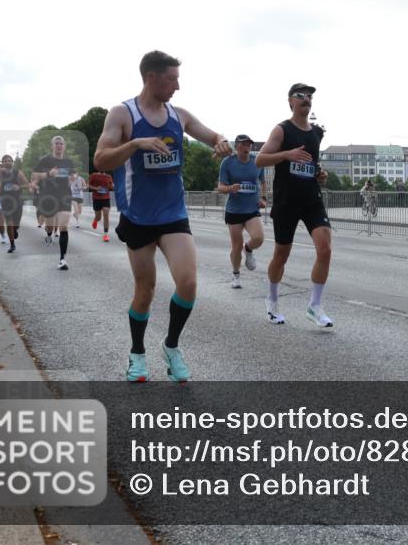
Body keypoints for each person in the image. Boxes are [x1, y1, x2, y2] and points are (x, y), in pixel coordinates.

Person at [94, 50, 232, 383]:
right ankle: (137, 354)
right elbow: (101, 159)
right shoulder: (122, 114)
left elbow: (211, 135)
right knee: (145, 289)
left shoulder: (179, 115)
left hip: (173, 215)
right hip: (138, 216)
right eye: (172, 79)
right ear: (152, 77)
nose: (178, 86)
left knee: (188, 283)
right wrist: (135, 144)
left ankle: (171, 346)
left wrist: (222, 142)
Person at [255, 83, 333, 327]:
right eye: (301, 95)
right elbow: (260, 160)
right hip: (287, 200)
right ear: (290, 101)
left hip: (311, 199)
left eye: (309, 96)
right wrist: (286, 155)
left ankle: (315, 306)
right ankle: (272, 300)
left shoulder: (316, 133)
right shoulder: (282, 130)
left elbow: (311, 164)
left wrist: (320, 173)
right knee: (281, 255)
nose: (306, 99)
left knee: (325, 249)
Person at [217, 135, 267, 289]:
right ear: (236, 146)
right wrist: (230, 188)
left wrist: (264, 198)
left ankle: (249, 248)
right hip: (234, 210)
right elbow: (220, 187)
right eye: (243, 144)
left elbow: (263, 181)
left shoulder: (256, 161)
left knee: (258, 238)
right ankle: (236, 275)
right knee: (236, 246)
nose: (247, 147)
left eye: (249, 145)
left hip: (252, 208)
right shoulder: (228, 162)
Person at [32, 136, 76, 269]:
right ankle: (49, 234)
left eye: (61, 143)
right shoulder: (45, 160)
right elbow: (34, 176)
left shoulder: (68, 161)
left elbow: (74, 176)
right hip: (49, 196)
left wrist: (73, 177)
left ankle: (62, 259)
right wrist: (48, 174)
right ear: (52, 146)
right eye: (56, 143)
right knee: (50, 226)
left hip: (64, 196)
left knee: (64, 226)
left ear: (64, 146)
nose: (59, 145)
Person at [0, 155, 30, 253]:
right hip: (5, 201)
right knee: (9, 223)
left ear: (12, 162)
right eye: (5, 161)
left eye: (10, 161)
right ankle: (12, 244)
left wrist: (19, 187)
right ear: (3, 163)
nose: (8, 162)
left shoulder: (18, 173)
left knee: (15, 225)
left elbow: (27, 184)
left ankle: (15, 230)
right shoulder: (0, 173)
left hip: (17, 201)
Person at [87, 170, 114, 242]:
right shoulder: (94, 175)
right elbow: (88, 185)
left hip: (106, 198)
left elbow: (112, 186)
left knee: (106, 214)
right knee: (98, 217)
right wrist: (96, 188)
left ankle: (105, 235)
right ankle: (95, 220)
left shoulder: (108, 176)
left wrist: (112, 185)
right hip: (97, 198)